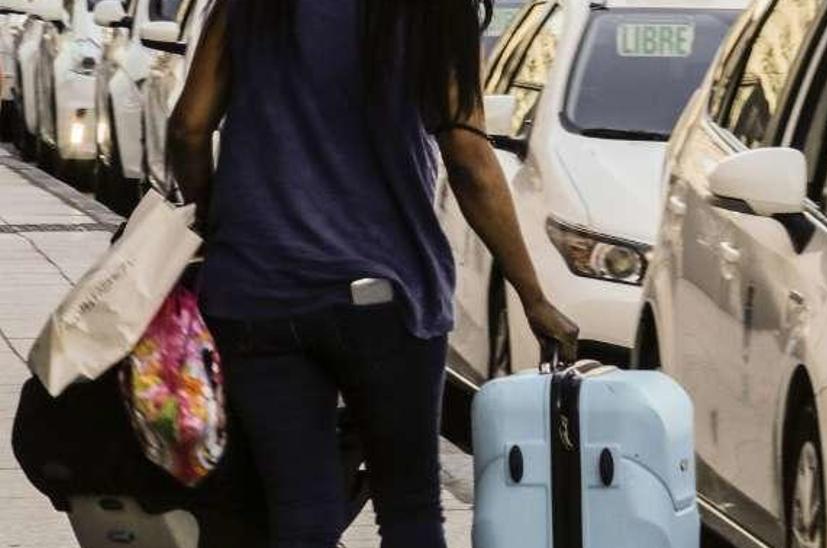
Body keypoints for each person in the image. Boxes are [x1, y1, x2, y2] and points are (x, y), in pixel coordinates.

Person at [165, 0, 580, 546]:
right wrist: (533, 296)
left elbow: (190, 127)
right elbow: (468, 158)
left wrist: (219, 221)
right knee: (409, 507)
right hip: (387, 295)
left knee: (298, 510)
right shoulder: (432, 12)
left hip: (257, 291)